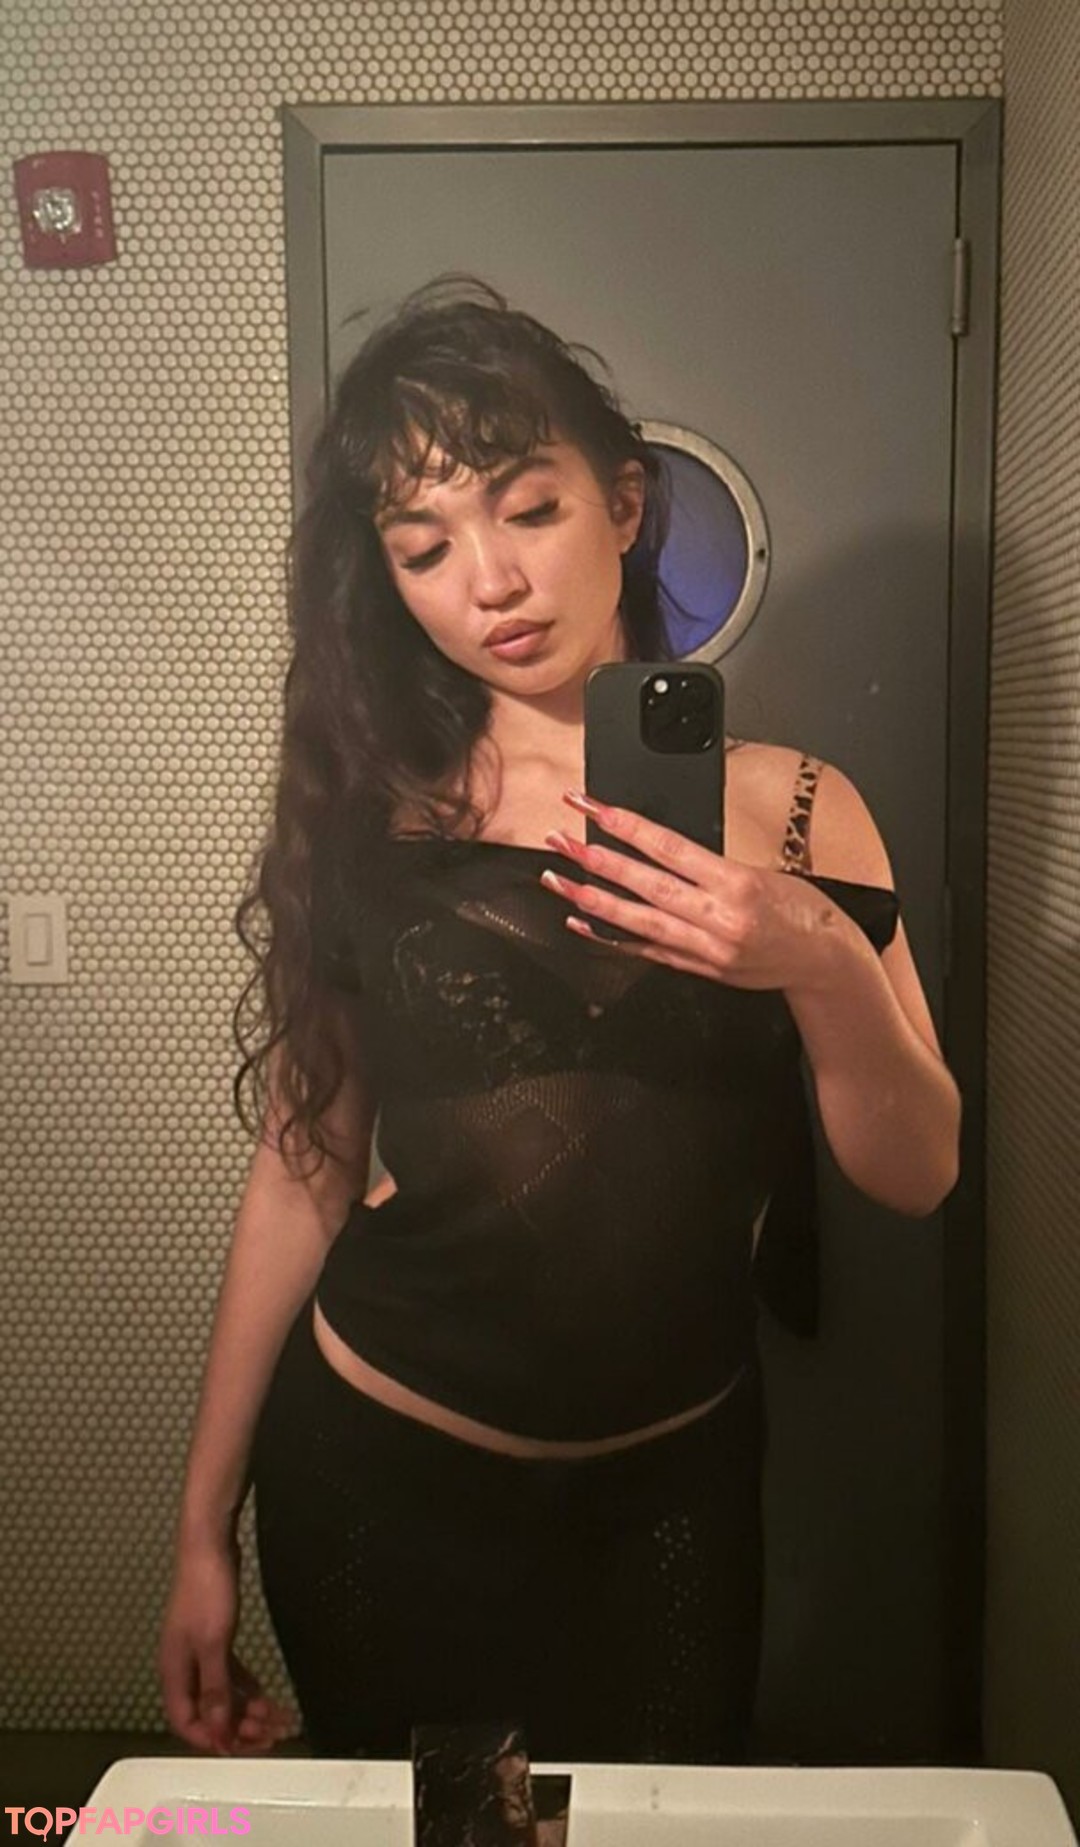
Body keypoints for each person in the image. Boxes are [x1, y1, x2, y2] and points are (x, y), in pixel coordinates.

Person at [158, 277, 961, 1767]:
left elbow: (916, 1171)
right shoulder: (376, 813)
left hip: (674, 1499)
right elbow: (301, 1169)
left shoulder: (799, 809)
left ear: (626, 505)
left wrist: (815, 957)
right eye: (424, 547)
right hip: (380, 1471)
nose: (492, 582)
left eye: (528, 509)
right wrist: (202, 1529)